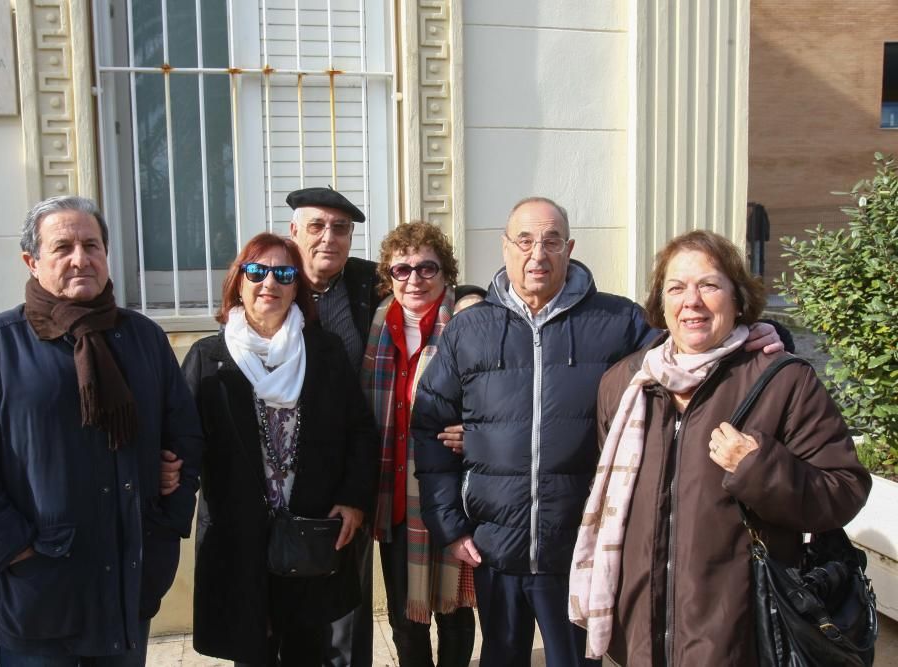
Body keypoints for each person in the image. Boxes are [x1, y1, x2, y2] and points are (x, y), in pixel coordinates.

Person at [410, 197, 785, 667]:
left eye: (550, 241)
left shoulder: (618, 322)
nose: (537, 254)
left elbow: (696, 345)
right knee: (500, 657)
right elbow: (428, 429)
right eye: (524, 240)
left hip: (576, 546)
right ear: (505, 247)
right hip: (494, 547)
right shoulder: (470, 329)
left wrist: (763, 334)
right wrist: (450, 524)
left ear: (569, 248)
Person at [568, 230, 871, 666]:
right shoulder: (623, 384)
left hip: (738, 635)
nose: (691, 300)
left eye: (708, 285)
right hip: (637, 634)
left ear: (737, 298)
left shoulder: (784, 381)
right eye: (676, 288)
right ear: (661, 303)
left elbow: (844, 490)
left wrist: (758, 467)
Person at [0, 195, 203, 666]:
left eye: (92, 245)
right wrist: (15, 549)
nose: (81, 259)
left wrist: (166, 524)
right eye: (63, 247)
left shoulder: (143, 339)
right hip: (41, 596)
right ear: (31, 261)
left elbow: (185, 438)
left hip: (125, 590)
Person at [160, 186, 380, 665]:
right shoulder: (209, 358)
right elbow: (179, 442)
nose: (270, 284)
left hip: (313, 532)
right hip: (239, 541)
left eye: (283, 274)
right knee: (252, 653)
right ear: (239, 282)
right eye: (258, 272)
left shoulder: (323, 353)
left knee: (310, 651)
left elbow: (360, 431)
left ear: (295, 285)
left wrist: (354, 500)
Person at [361, 222, 477, 667]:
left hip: (453, 493)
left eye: (427, 267)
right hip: (395, 498)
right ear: (388, 275)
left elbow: (500, 400)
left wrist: (477, 432)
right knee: (405, 621)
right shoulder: (377, 325)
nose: (414, 279)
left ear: (446, 273)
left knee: (455, 613)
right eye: (402, 268)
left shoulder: (469, 324)